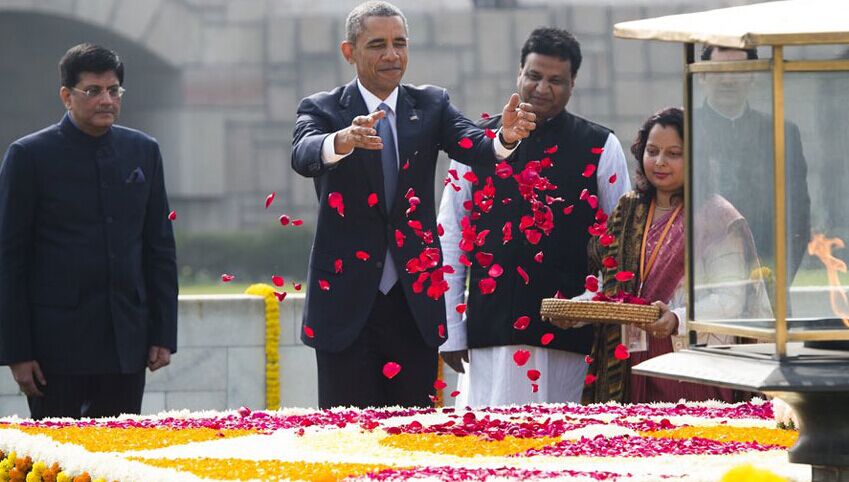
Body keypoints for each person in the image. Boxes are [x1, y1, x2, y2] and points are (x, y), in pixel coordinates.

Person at [291, 1, 536, 409]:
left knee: (414, 430)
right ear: (349, 51)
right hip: (345, 306)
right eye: (377, 45)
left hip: (413, 303)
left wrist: (504, 138)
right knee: (345, 433)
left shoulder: (431, 105)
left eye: (400, 43)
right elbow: (303, 154)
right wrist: (342, 140)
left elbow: (475, 145)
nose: (392, 54)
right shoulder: (323, 109)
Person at [437, 27, 630, 407]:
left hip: (570, 338)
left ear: (573, 84)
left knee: (565, 437)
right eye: (534, 76)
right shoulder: (476, 143)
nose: (542, 88)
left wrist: (592, 303)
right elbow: (450, 236)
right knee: (490, 437)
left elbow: (619, 243)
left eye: (555, 80)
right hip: (491, 333)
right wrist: (451, 331)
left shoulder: (600, 145)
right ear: (519, 74)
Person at [0, 44, 178, 419]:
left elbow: (159, 248)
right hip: (55, 350)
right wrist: (16, 352)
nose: (106, 100)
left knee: (120, 451)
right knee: (58, 455)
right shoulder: (29, 156)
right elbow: (9, 259)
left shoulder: (143, 151)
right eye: (93, 91)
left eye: (114, 90)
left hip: (126, 344)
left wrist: (163, 334)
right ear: (67, 96)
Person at [578, 107, 768, 404]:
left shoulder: (715, 216)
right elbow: (611, 286)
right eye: (652, 151)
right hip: (633, 361)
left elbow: (731, 299)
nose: (660, 162)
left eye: (674, 154)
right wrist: (579, 310)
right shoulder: (628, 210)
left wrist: (676, 318)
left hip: (692, 361)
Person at [694, 45, 811, 284]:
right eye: (719, 70)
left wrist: (777, 278)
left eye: (738, 70)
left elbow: (797, 214)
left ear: (753, 77)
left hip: (767, 276)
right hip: (701, 281)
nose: (728, 80)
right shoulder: (683, 128)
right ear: (702, 76)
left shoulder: (780, 132)